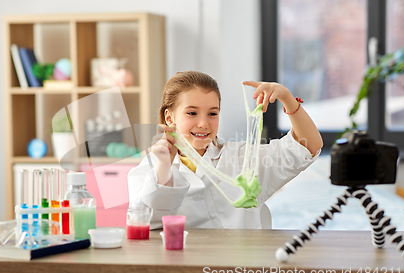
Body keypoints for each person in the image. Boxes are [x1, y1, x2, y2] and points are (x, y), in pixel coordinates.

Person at [128, 71, 323, 229]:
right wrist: (164, 168)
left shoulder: (242, 158)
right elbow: (143, 222)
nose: (203, 123)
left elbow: (307, 147)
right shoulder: (149, 168)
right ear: (170, 118)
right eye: (192, 113)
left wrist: (287, 97)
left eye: (212, 113)